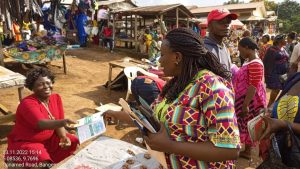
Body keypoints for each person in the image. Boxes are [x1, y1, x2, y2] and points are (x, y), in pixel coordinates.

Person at [104, 28, 240, 168]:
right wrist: (114, 113)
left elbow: (229, 150)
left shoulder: (213, 88)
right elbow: (149, 118)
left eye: (162, 55)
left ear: (177, 57)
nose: (159, 61)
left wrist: (170, 146)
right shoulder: (176, 84)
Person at [5, 68, 79, 168]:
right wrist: (63, 122)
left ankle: (52, 163)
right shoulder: (27, 103)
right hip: (27, 141)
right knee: (41, 159)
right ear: (32, 88)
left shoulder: (55, 98)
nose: (46, 87)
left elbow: (57, 121)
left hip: (48, 139)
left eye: (48, 83)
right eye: (40, 84)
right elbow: (41, 124)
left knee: (72, 140)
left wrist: (63, 136)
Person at [233, 37, 267, 159]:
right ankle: (246, 150)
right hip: (246, 99)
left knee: (249, 123)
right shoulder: (250, 61)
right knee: (246, 123)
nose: (239, 52)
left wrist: (245, 104)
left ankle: (247, 151)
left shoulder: (256, 64)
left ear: (247, 47)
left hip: (252, 101)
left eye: (240, 49)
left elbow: (253, 86)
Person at [259, 72, 300, 167]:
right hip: (279, 149)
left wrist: (283, 124)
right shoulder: (296, 78)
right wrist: (270, 110)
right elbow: (282, 98)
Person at [263, 34, 289, 108]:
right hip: (274, 73)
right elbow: (266, 61)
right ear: (279, 41)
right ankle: (269, 107)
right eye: (285, 39)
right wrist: (268, 74)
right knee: (276, 90)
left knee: (282, 91)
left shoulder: (283, 49)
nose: (286, 40)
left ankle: (274, 108)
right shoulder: (271, 49)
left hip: (283, 74)